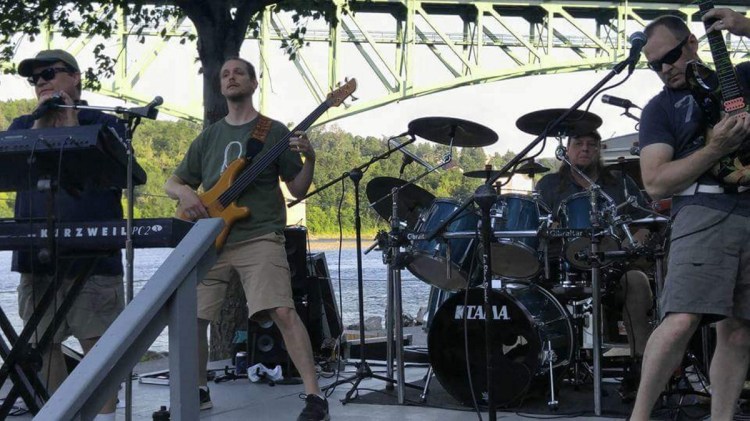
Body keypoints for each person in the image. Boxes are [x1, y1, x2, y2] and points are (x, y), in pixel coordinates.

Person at [164, 57, 328, 421]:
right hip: (208, 238)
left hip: (259, 235)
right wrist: (186, 195)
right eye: (224, 74)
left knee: (283, 310)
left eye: (239, 72)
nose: (231, 77)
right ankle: (197, 390)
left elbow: (297, 190)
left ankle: (315, 397)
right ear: (220, 87)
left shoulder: (272, 131)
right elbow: (173, 182)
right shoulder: (208, 136)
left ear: (254, 83)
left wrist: (310, 159)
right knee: (194, 318)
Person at [630, 15, 750, 421]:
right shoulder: (660, 108)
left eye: (671, 56)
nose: (665, 68)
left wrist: (743, 24)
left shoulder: (740, 78)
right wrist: (714, 150)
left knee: (739, 328)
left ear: (692, 43)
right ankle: (640, 417)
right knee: (681, 317)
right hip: (704, 210)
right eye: (655, 64)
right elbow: (656, 183)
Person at [8, 49, 126, 420]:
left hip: (93, 255)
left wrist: (71, 118)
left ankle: (105, 416)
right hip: (36, 256)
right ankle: (58, 413)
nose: (41, 81)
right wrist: (42, 125)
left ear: (75, 77)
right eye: (35, 77)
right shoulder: (21, 126)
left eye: (49, 73)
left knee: (100, 344)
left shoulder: (105, 124)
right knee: (42, 344)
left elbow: (120, 174)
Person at [536, 130, 654, 401]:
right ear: (567, 148)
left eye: (592, 145)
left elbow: (646, 222)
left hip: (612, 266)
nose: (585, 149)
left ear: (600, 150)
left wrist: (628, 247)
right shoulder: (549, 185)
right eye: (579, 143)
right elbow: (535, 229)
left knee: (638, 283)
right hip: (559, 268)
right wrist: (547, 230)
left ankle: (640, 372)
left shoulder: (620, 182)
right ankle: (538, 364)